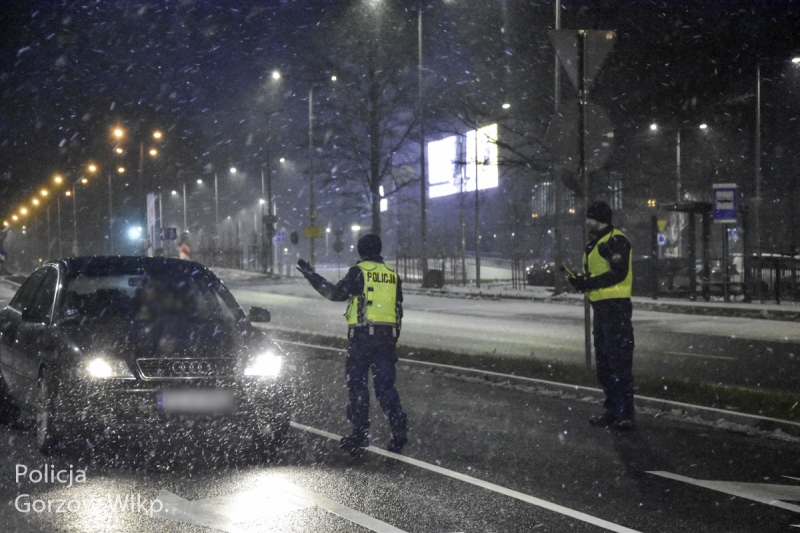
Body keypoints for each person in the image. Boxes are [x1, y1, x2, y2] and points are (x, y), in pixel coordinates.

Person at [296, 234, 408, 454]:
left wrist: (311, 275)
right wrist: (393, 339)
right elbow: (398, 309)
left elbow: (335, 293)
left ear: (360, 251)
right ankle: (398, 430)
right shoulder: (392, 274)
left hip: (362, 337)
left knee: (357, 385)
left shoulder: (359, 272)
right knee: (385, 387)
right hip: (386, 338)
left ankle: (360, 434)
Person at [568, 201, 636, 431]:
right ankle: (613, 411)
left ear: (601, 220)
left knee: (619, 363)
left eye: (591, 218)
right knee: (605, 365)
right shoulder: (595, 244)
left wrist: (589, 284)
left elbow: (618, 273)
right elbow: (598, 273)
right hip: (601, 309)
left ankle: (625, 415)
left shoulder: (616, 240)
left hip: (616, 309)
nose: (587, 222)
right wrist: (581, 282)